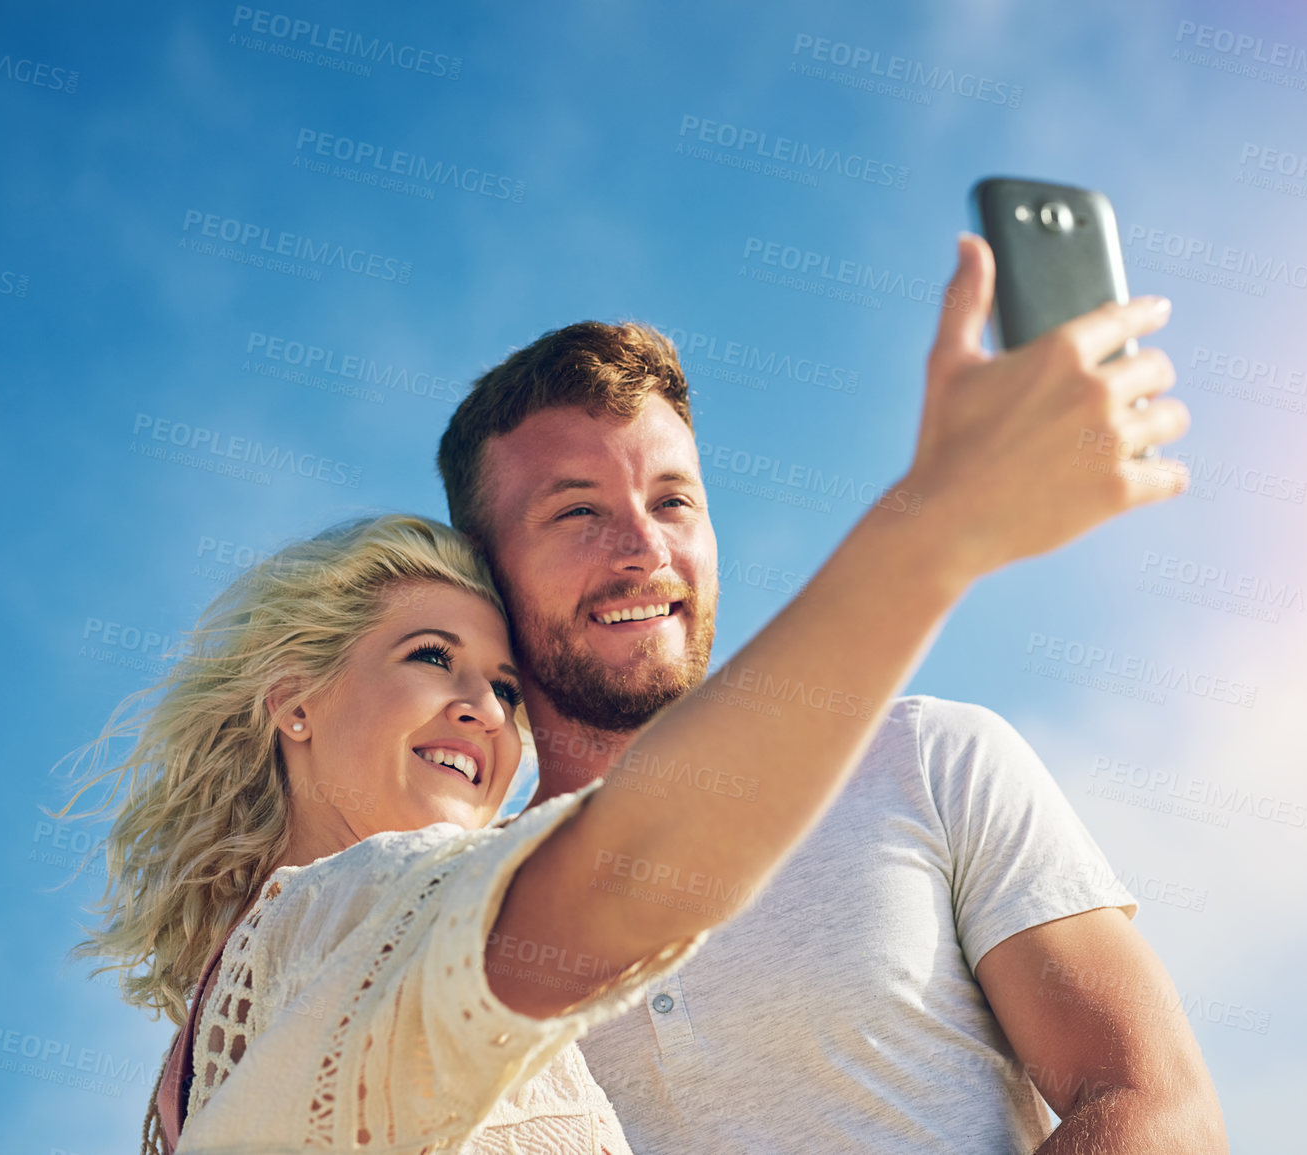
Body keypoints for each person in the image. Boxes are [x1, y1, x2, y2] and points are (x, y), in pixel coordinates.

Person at [435, 234, 1229, 1152]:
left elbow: (1153, 1103)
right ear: (482, 572)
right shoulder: (451, 908)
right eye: (577, 510)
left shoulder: (934, 759)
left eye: (673, 501)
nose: (645, 550)